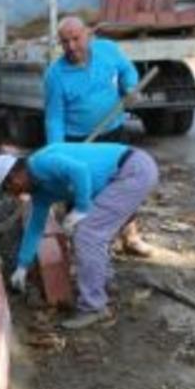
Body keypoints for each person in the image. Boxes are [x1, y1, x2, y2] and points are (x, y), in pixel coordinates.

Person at [0, 142, 159, 329]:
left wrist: (81, 208)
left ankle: (94, 308)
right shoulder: (39, 192)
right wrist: (22, 265)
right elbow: (35, 227)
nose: (13, 195)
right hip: (122, 175)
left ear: (14, 178)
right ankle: (103, 280)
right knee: (94, 231)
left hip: (132, 172)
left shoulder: (41, 163)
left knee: (88, 234)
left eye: (8, 190)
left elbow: (80, 170)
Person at [43, 15, 153, 255]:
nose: (71, 47)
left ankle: (130, 236)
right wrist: (58, 153)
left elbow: (127, 71)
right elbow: (54, 117)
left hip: (113, 132)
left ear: (88, 35)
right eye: (65, 42)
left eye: (76, 39)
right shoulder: (55, 74)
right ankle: (80, 246)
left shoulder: (108, 50)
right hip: (77, 142)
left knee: (121, 186)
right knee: (77, 190)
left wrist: (130, 88)